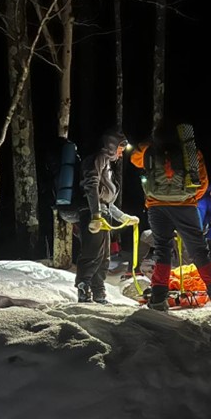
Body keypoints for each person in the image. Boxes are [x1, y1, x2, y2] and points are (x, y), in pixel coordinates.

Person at [130, 121, 211, 311]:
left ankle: (158, 298)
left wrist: (149, 140)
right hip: (185, 206)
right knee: (198, 250)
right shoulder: (191, 154)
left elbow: (134, 158)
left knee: (162, 250)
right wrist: (189, 199)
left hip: (157, 206)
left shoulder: (149, 151)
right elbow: (203, 183)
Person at [75, 128, 139, 303]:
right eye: (120, 148)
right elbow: (91, 185)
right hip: (92, 213)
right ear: (111, 145)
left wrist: (123, 217)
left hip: (102, 212)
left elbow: (106, 200)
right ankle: (84, 289)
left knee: (104, 257)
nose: (121, 153)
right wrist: (95, 214)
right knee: (92, 253)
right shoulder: (98, 158)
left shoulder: (108, 164)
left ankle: (98, 292)